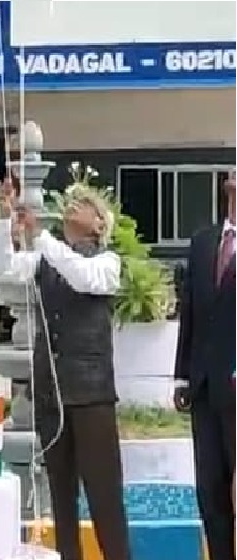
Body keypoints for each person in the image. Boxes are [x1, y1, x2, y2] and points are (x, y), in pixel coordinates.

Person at [0, 179, 131, 560]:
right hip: (52, 394)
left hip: (91, 396)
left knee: (104, 498)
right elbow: (6, 266)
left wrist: (40, 237)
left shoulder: (107, 263)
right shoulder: (46, 259)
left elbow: (81, 276)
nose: (73, 204)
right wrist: (4, 220)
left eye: (84, 203)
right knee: (61, 499)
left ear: (99, 224)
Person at [173, 170, 235, 560]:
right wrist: (182, 376)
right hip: (204, 386)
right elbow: (190, 312)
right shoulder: (203, 242)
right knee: (210, 489)